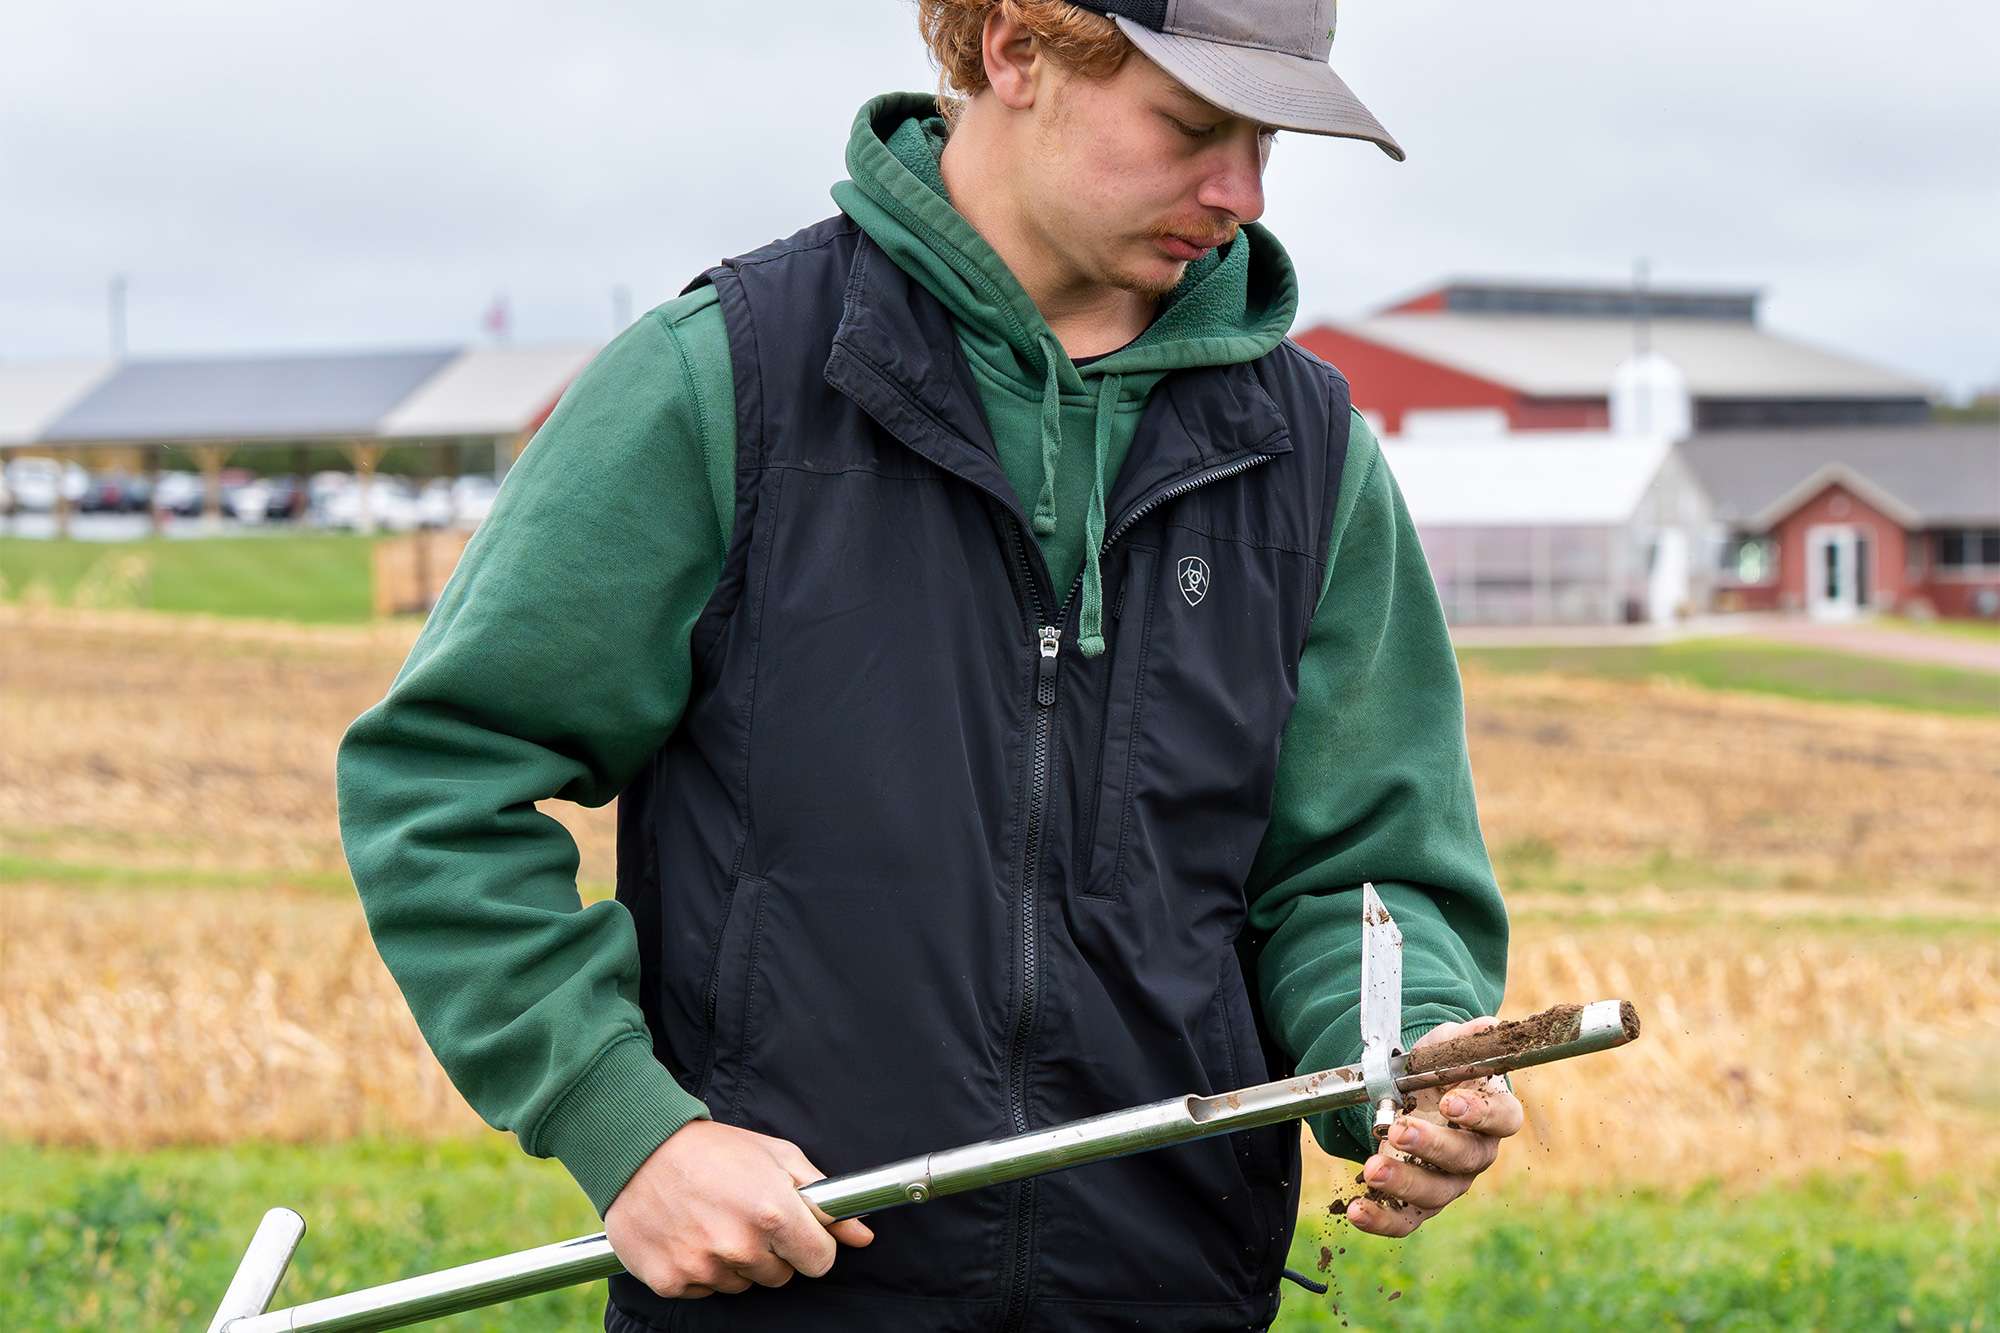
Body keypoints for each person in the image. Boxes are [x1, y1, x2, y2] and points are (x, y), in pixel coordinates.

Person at [336, 3, 1515, 1329]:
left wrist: (1406, 1047)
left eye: (1264, 140)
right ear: (1013, 49)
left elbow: (1364, 867)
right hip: (789, 1298)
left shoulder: (1308, 456)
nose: (1239, 191)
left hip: (1168, 1299)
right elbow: (441, 781)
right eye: (1191, 126)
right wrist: (631, 1128)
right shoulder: (727, 382)